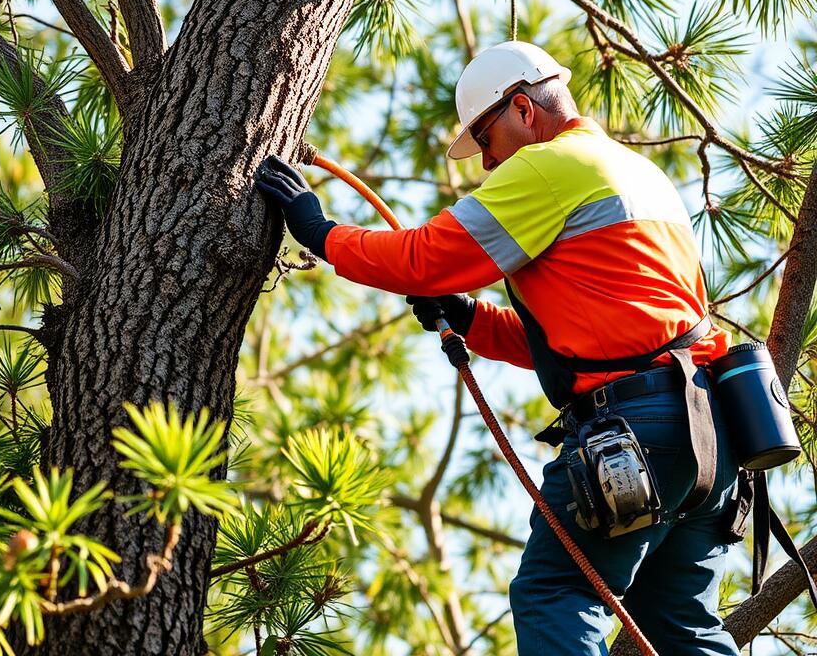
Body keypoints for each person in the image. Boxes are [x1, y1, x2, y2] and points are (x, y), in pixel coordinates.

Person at [255, 41, 741, 655]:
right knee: (681, 628)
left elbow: (421, 258)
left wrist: (321, 233)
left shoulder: (547, 167)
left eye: (486, 139)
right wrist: (470, 318)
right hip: (709, 436)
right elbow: (600, 340)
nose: (487, 163)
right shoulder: (639, 175)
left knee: (554, 593)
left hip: (637, 431)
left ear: (522, 109)